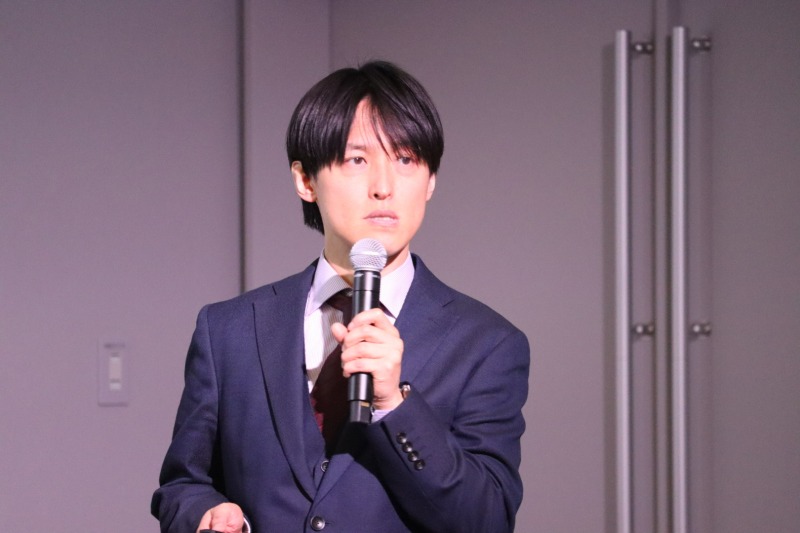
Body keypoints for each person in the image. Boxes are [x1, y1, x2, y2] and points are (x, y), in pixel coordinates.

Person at [151, 60, 530, 533]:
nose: (384, 187)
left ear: (431, 180)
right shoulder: (228, 329)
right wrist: (204, 514)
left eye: (406, 159)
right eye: (357, 160)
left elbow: (487, 518)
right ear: (305, 180)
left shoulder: (488, 343)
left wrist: (394, 403)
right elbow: (183, 484)